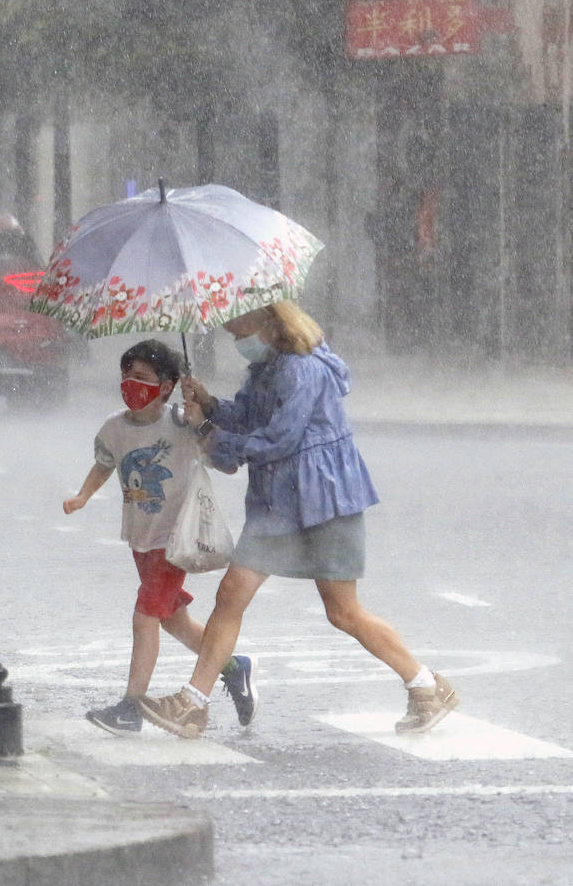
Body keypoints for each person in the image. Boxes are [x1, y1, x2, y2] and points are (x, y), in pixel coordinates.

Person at [138, 301, 458, 739]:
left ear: (268, 320)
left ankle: (425, 685)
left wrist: (212, 437)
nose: (235, 337)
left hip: (324, 497)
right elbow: (252, 416)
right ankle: (193, 703)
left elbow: (280, 438)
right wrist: (210, 406)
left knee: (343, 612)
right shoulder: (270, 366)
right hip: (279, 500)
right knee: (231, 594)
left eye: (238, 329)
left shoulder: (302, 369)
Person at [63, 338, 257, 734]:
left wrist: (200, 414)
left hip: (175, 540)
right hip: (141, 539)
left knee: (145, 616)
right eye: (126, 375)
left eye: (142, 378)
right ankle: (233, 666)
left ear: (166, 385)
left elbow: (222, 459)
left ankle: (132, 707)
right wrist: (83, 495)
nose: (131, 384)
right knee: (173, 621)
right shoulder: (114, 428)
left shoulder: (180, 422)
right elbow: (104, 464)